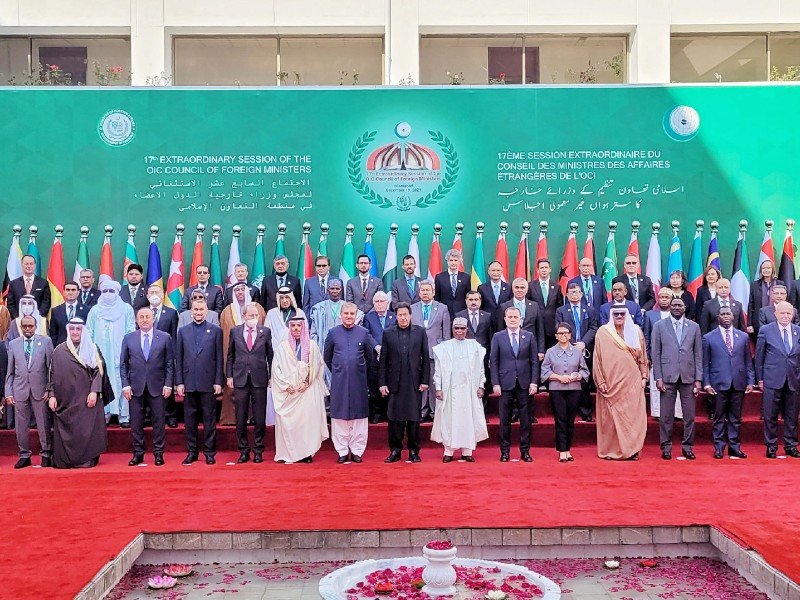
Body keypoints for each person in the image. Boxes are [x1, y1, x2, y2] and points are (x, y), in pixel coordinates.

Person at [48, 318, 110, 469]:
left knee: (86, 430)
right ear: (68, 330)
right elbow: (51, 374)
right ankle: (67, 459)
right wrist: (51, 395)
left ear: (83, 331)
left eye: (78, 329)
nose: (75, 332)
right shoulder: (59, 350)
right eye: (72, 329)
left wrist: (94, 391)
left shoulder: (92, 348)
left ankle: (86, 459)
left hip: (86, 398)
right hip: (65, 400)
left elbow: (99, 372)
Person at [323, 302, 378, 463]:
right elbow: (327, 357)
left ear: (356, 316)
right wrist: (339, 369)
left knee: (358, 417)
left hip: (358, 382)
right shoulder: (333, 333)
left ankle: (357, 450)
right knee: (339, 416)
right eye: (346, 313)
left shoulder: (363, 333)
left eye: (352, 314)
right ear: (341, 315)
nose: (349, 316)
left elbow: (370, 357)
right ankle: (342, 451)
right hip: (339, 382)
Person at [120, 307, 173, 466]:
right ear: (136, 320)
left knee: (159, 422)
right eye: (141, 317)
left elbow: (169, 363)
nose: (144, 320)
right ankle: (138, 453)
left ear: (153, 319)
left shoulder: (164, 337)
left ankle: (158, 453)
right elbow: (123, 364)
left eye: (147, 317)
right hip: (135, 387)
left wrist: (168, 384)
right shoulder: (128, 338)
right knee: (136, 423)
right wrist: (125, 385)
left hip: (157, 386)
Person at [593, 307, 648, 460]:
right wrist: (600, 380)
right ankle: (610, 450)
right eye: (616, 314)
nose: (619, 316)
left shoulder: (636, 331)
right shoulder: (603, 332)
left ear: (627, 315)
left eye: (622, 314)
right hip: (610, 383)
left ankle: (632, 450)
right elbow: (597, 358)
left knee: (632, 417)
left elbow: (643, 356)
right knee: (610, 419)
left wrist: (644, 377)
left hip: (632, 382)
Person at [651, 297, 702, 460]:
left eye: (680, 305)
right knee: (666, 416)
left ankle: (688, 447)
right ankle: (666, 447)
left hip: (688, 376)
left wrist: (698, 379)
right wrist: (658, 377)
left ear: (685, 308)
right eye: (674, 305)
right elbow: (655, 353)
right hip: (667, 376)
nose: (677, 307)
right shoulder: (659, 326)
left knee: (689, 416)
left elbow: (698, 354)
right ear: (669, 307)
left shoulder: (694, 326)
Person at [272, 316, 329, 463]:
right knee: (289, 423)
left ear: (304, 328)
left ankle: (306, 453)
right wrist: (285, 385)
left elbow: (318, 366)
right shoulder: (282, 347)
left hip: (306, 390)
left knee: (306, 423)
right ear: (289, 328)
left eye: (299, 326)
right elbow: (276, 368)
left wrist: (307, 382)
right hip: (289, 391)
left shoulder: (312, 345)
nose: (296, 328)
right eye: (293, 326)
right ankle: (287, 454)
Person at [379, 302, 430, 463]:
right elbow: (383, 360)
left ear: (410, 315)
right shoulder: (388, 333)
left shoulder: (420, 332)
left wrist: (425, 381)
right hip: (395, 382)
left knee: (414, 419)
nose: (403, 318)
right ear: (396, 316)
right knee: (395, 419)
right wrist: (382, 383)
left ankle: (414, 451)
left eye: (405, 315)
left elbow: (425, 358)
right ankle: (395, 450)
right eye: (400, 315)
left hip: (414, 382)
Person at [432, 317, 487, 462]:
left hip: (469, 390)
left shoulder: (474, 346)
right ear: (452, 329)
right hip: (450, 390)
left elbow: (480, 369)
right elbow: (438, 371)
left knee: (468, 420)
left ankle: (467, 451)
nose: (459, 331)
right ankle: (448, 452)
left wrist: (481, 386)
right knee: (449, 420)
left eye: (462, 328)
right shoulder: (444, 347)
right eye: (456, 328)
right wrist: (438, 388)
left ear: (467, 330)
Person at [175, 300, 224, 465]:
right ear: (191, 311)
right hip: (189, 382)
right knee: (190, 421)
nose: (198, 312)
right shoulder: (182, 331)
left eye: (201, 309)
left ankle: (209, 453)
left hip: (208, 382)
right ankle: (192, 452)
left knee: (209, 420)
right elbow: (179, 358)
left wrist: (218, 381)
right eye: (195, 309)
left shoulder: (216, 331)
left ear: (206, 311)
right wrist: (179, 382)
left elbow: (219, 358)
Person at [703, 306, 753, 459]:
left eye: (728, 314)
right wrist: (707, 383)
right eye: (723, 314)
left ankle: (734, 447)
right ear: (718, 317)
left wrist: (751, 381)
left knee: (735, 418)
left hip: (738, 382)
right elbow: (705, 363)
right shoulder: (709, 337)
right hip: (718, 383)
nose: (725, 316)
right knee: (718, 417)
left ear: (733, 316)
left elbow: (748, 361)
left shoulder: (743, 336)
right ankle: (719, 447)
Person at [490, 306, 539, 462]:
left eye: (515, 317)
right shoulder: (498, 337)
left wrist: (534, 382)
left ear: (521, 319)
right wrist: (495, 383)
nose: (512, 319)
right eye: (509, 317)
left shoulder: (529, 336)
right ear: (505, 319)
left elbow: (534, 361)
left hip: (525, 383)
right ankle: (505, 451)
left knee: (526, 420)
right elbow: (494, 361)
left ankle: (525, 451)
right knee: (505, 420)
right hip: (505, 383)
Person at [226, 303, 273, 464]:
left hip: (260, 379)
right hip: (240, 378)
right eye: (251, 315)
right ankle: (243, 450)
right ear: (244, 316)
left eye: (256, 316)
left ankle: (258, 450)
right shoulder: (235, 331)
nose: (254, 318)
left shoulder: (265, 332)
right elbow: (230, 355)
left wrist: (271, 376)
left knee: (259, 417)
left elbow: (270, 355)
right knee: (241, 417)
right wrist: (229, 376)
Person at [5, 315, 53, 468]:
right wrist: (8, 392)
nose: (27, 329)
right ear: (21, 327)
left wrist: (49, 389)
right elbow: (10, 371)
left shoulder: (46, 342)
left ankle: (46, 454)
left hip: (40, 391)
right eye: (24, 326)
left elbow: (51, 369)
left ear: (35, 326)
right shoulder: (13, 344)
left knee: (43, 424)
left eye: (30, 326)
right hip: (19, 390)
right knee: (21, 426)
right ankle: (24, 455)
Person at [86, 279, 136, 427]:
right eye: (105, 291)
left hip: (121, 353)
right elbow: (88, 332)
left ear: (117, 292)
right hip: (100, 355)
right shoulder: (95, 310)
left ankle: (123, 416)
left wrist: (128, 351)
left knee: (122, 383)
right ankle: (104, 415)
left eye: (111, 291)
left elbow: (131, 330)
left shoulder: (126, 309)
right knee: (103, 383)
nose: (108, 294)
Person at [755, 301, 800, 459]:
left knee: (792, 415)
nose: (786, 316)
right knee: (770, 415)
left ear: (793, 315)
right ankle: (771, 446)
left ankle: (791, 445)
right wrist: (760, 379)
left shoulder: (798, 331)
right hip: (772, 379)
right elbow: (759, 357)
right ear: (775, 314)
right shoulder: (766, 330)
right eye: (782, 313)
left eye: (789, 313)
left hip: (793, 380)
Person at [541, 322, 589, 462]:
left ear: (570, 335)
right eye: (560, 333)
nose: (563, 336)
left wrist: (578, 375)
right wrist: (559, 377)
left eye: (566, 333)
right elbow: (545, 371)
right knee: (560, 419)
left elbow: (584, 370)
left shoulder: (577, 351)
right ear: (556, 336)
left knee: (570, 420)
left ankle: (568, 449)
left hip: (574, 388)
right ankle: (562, 450)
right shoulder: (550, 352)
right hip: (557, 389)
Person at [220, 282, 267, 425]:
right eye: (237, 290)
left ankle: (253, 418)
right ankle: (232, 419)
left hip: (256, 360)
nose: (240, 292)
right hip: (235, 358)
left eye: (242, 290)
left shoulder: (257, 308)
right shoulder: (227, 310)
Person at [555, 283, 598, 422]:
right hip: (567, 349)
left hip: (585, 349)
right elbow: (559, 328)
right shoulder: (561, 311)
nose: (574, 295)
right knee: (569, 379)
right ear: (567, 295)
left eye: (577, 292)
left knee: (584, 380)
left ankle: (585, 411)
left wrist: (583, 343)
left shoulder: (590, 310)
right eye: (571, 292)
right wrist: (572, 344)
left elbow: (593, 328)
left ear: (581, 294)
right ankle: (570, 412)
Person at [411, 281, 450, 421]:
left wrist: (445, 350)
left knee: (434, 383)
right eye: (423, 290)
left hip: (436, 351)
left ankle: (434, 411)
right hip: (417, 352)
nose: (425, 293)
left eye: (428, 290)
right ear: (419, 292)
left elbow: (446, 333)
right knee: (419, 382)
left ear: (433, 292)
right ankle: (422, 410)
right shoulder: (412, 308)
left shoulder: (442, 308)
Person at [643, 288, 684, 420]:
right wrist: (647, 355)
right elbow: (646, 337)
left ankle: (677, 413)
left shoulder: (678, 314)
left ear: (671, 299)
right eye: (662, 297)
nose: (664, 300)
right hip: (656, 356)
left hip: (675, 357)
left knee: (676, 383)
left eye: (667, 297)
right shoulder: (650, 315)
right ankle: (658, 412)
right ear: (658, 299)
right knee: (657, 384)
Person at [363, 291, 397, 423]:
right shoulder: (368, 317)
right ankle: (376, 413)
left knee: (389, 384)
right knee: (374, 385)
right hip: (374, 356)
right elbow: (367, 334)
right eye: (376, 302)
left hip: (391, 357)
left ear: (387, 303)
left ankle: (388, 412)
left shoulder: (394, 316)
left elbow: (396, 334)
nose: (379, 304)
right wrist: (377, 347)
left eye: (382, 301)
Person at [496, 277, 545, 357]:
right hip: (510, 347)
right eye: (517, 287)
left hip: (530, 345)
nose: (519, 290)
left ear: (526, 290)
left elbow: (540, 329)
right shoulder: (504, 306)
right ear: (512, 289)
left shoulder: (534, 306)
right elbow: (500, 329)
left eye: (522, 287)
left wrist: (541, 350)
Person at [310, 279, 362, 348]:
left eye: (337, 289)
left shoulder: (349, 307)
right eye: (332, 288)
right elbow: (313, 334)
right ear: (328, 290)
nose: (335, 291)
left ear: (341, 290)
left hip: (344, 347)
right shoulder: (319, 308)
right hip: (323, 347)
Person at [527, 258, 564, 350]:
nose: (544, 270)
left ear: (550, 269)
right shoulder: (530, 286)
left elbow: (559, 307)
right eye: (541, 268)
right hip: (535, 326)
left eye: (546, 268)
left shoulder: (556, 287)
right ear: (537, 270)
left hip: (551, 328)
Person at [6, 254, 50, 318]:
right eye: (26, 264)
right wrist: (18, 319)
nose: (29, 266)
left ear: (35, 265)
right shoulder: (14, 284)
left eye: (31, 264)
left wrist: (37, 317)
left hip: (38, 320)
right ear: (22, 265)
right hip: (19, 320)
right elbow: (10, 304)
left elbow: (46, 303)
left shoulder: (43, 283)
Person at [748, 259, 783, 334]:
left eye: (768, 268)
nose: (766, 270)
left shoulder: (780, 284)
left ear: (772, 270)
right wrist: (749, 324)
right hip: (758, 321)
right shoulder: (754, 285)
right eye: (764, 268)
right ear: (761, 270)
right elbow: (751, 305)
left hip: (777, 319)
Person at [434, 249, 471, 318]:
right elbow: (437, 297)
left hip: (462, 312)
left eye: (456, 260)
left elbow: (468, 296)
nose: (453, 263)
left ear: (459, 262)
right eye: (451, 260)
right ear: (447, 261)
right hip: (444, 312)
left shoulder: (466, 277)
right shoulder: (439, 277)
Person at [50, 282, 87, 347]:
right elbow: (53, 334)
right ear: (63, 292)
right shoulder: (55, 311)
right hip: (62, 348)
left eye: (73, 290)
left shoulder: (87, 310)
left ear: (78, 292)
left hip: (81, 347)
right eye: (67, 290)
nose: (70, 292)